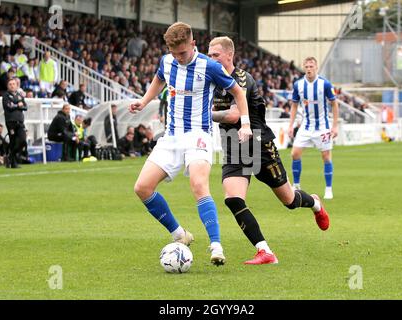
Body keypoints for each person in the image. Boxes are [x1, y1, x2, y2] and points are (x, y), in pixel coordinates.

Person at [129, 22, 252, 266]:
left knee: (198, 184)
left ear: (193, 44)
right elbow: (158, 79)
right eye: (174, 53)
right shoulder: (167, 61)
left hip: (199, 135)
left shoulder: (210, 66)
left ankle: (216, 245)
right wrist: (144, 101)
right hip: (172, 137)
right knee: (142, 188)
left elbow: (238, 92)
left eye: (182, 53)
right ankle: (179, 234)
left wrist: (246, 124)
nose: (178, 58)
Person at [209, 37, 330, 265]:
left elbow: (234, 115)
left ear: (229, 55)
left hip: (260, 146)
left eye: (216, 55)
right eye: (209, 55)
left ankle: (315, 203)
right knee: (233, 199)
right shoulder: (212, 82)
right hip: (234, 147)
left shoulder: (242, 79)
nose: (211, 59)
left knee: (290, 200)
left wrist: (205, 115)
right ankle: (265, 251)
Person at [288, 56, 339, 200]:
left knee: (326, 156)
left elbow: (334, 104)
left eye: (311, 66)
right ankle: (296, 185)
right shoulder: (298, 85)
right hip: (306, 125)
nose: (309, 69)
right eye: (307, 66)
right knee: (294, 154)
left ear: (316, 68)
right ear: (304, 68)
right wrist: (291, 125)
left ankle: (328, 189)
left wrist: (334, 126)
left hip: (323, 126)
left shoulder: (325, 84)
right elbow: (294, 105)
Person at [2, 78, 28, 168]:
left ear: (17, 85)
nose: (12, 85)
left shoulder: (20, 95)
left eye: (13, 84)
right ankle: (13, 163)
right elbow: (9, 106)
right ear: (7, 86)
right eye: (10, 84)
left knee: (23, 140)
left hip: (20, 122)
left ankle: (10, 156)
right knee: (13, 141)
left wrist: (16, 105)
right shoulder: (5, 95)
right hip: (11, 122)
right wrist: (18, 105)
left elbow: (25, 107)